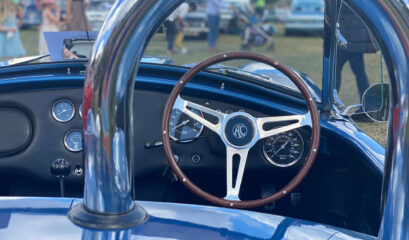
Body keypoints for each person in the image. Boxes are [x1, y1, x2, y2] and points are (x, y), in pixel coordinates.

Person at [335, 4, 378, 100]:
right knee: (358, 72)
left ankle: (330, 101)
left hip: (350, 37)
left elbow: (344, 7)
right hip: (351, 37)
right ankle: (368, 101)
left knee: (335, 71)